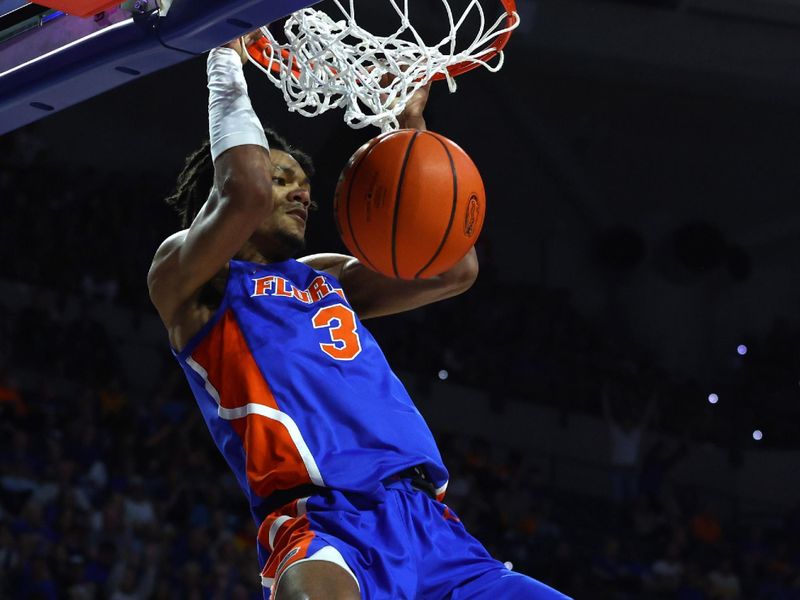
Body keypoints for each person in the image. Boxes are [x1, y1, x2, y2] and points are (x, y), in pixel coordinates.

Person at [147, 34, 570, 600]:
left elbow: (454, 268)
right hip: (323, 521)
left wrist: (407, 131)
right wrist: (225, 58)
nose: (302, 193)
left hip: (432, 527)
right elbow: (242, 189)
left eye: (304, 183)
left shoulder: (327, 275)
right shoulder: (189, 278)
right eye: (283, 179)